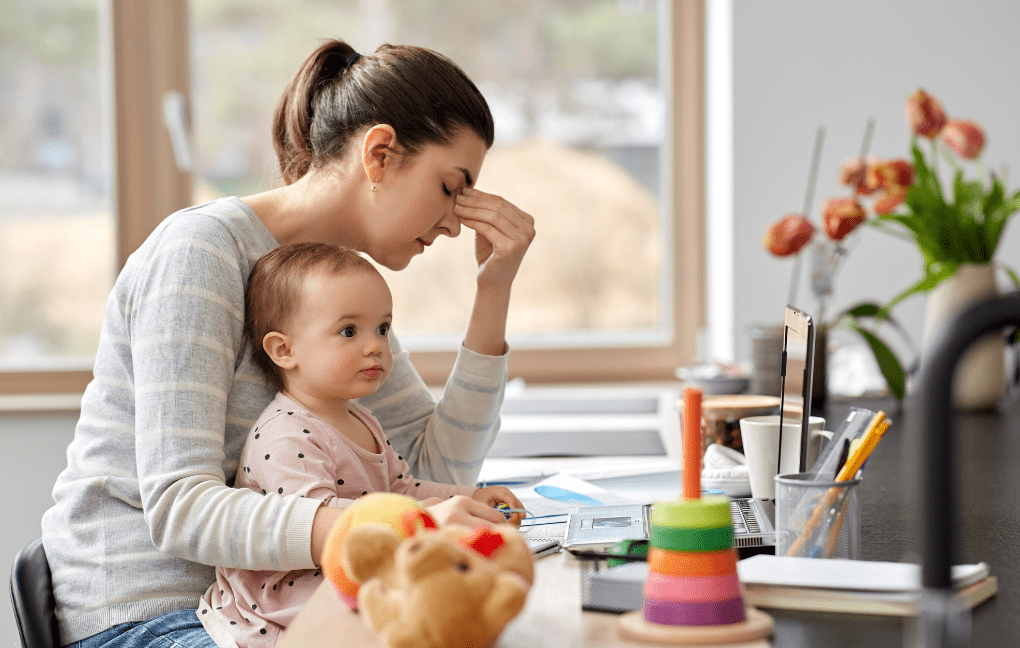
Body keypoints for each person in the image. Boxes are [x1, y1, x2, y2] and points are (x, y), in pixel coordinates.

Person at [41, 38, 535, 648]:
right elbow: (178, 507)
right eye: (449, 187)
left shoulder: (335, 290)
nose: (458, 220)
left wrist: (494, 294)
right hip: (155, 614)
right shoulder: (200, 252)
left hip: (276, 606)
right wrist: (390, 526)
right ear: (379, 154)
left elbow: (430, 470)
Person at [197, 242, 524, 647]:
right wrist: (428, 518)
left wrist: (468, 497)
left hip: (347, 576)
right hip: (281, 610)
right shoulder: (285, 434)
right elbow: (323, 528)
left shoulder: (361, 418)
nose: (375, 346)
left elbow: (403, 490)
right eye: (349, 331)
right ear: (284, 350)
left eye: (383, 328)